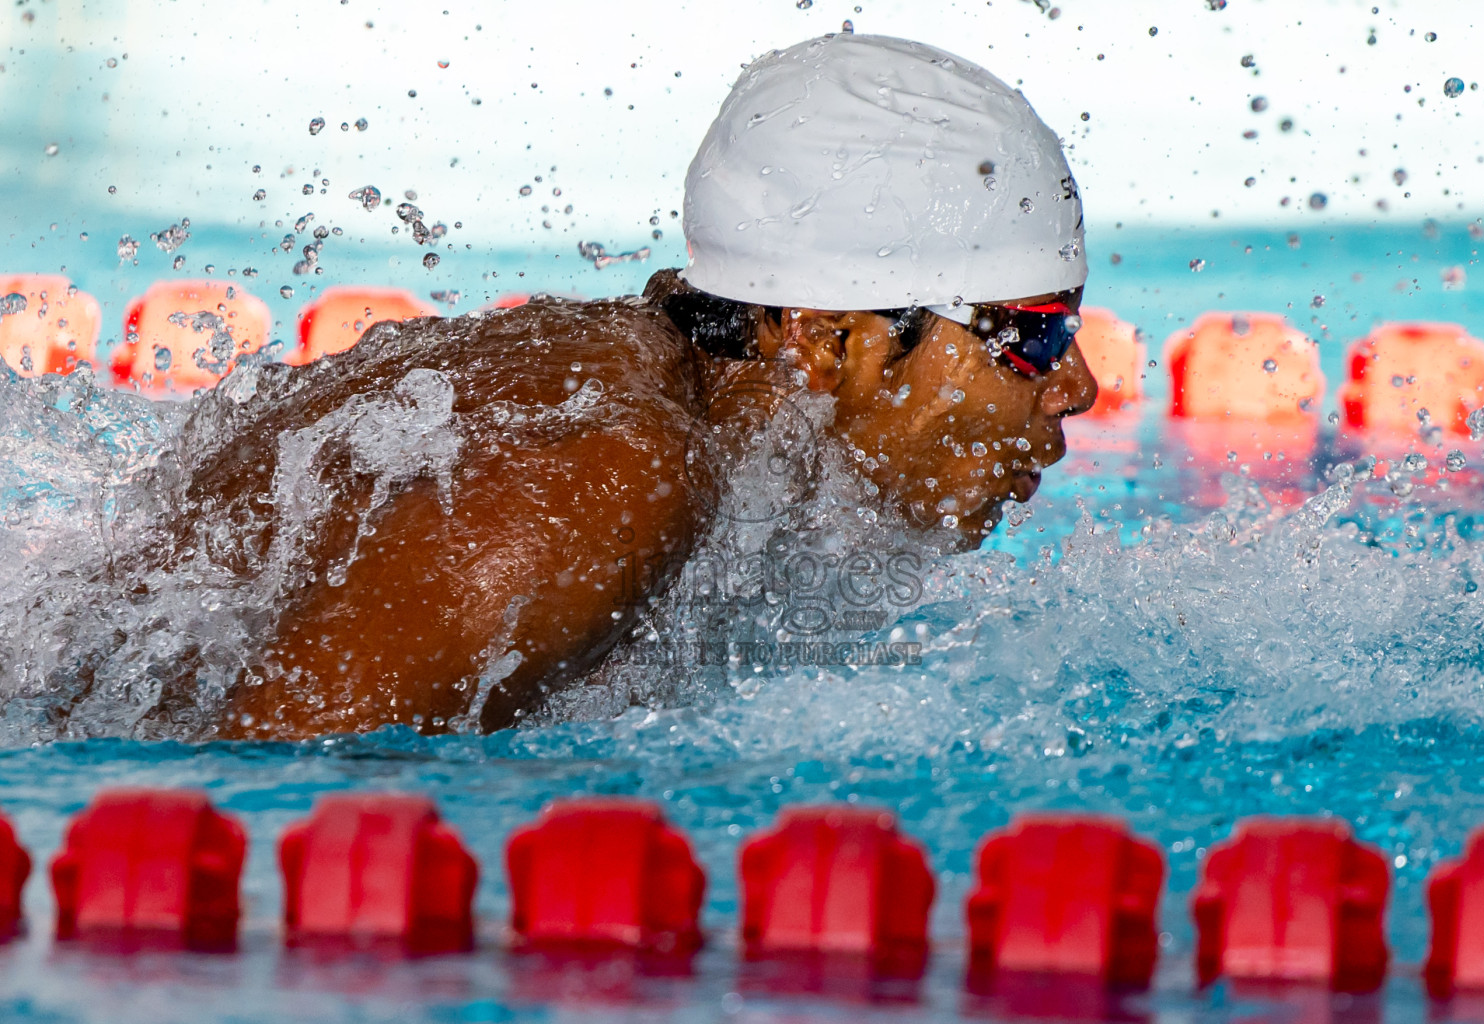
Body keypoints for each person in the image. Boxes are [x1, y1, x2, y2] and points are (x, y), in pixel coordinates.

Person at [183, 33, 1097, 739]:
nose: (1082, 387)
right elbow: (237, 833)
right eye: (1035, 336)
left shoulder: (662, 408)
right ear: (823, 341)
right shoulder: (604, 477)